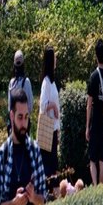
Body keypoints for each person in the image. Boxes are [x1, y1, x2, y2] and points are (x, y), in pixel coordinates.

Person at [0, 87, 47, 205]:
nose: (24, 124)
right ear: (12, 116)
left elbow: (44, 201)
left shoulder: (34, 150)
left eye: (26, 117)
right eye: (20, 117)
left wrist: (33, 197)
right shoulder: (2, 154)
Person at [85, 38, 103, 186]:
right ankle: (102, 189)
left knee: (92, 159)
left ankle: (95, 187)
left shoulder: (93, 76)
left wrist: (87, 126)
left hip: (95, 120)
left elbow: (89, 104)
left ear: (96, 55)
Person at [38, 45, 60, 181]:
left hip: (53, 127)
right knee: (49, 164)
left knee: (53, 163)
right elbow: (43, 104)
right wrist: (54, 107)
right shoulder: (46, 82)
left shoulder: (52, 82)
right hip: (48, 128)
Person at [8, 49, 34, 117]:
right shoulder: (27, 81)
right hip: (24, 118)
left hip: (14, 120)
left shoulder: (11, 82)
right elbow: (30, 104)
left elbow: (9, 106)